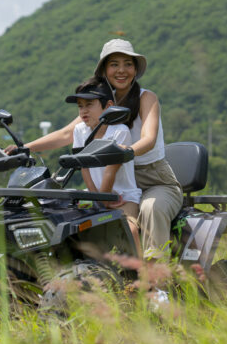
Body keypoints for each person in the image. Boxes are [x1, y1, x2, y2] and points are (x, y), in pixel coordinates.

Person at [14, 39, 182, 261]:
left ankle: (156, 280)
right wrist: (24, 148)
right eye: (114, 64)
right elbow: (67, 134)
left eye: (127, 64)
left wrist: (124, 152)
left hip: (152, 178)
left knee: (152, 208)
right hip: (111, 180)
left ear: (135, 69)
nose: (121, 70)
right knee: (62, 206)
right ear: (104, 70)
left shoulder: (146, 97)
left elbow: (148, 139)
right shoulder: (97, 101)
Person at [65, 78, 143, 255]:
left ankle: (142, 274)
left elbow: (110, 171)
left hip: (123, 196)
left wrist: (103, 200)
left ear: (108, 106)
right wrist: (97, 199)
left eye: (89, 105)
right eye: (80, 106)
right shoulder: (80, 130)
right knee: (66, 221)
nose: (83, 111)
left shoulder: (119, 131)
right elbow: (83, 166)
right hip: (96, 195)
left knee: (130, 230)